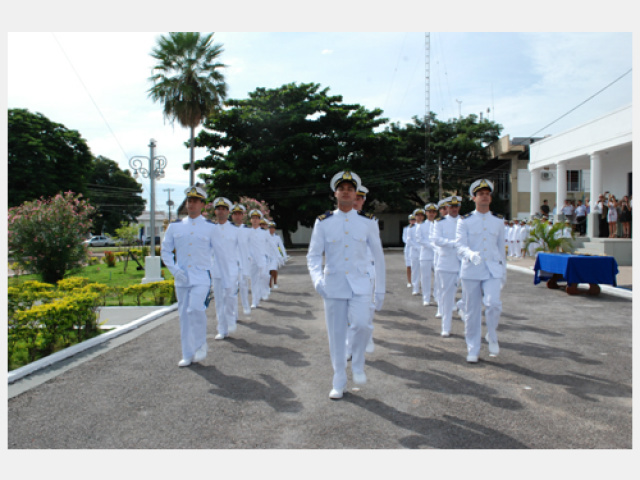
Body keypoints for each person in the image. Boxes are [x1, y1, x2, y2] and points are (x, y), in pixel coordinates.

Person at [307, 171, 385, 400]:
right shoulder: (323, 222)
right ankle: (339, 379)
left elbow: (379, 257)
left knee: (362, 325)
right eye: (343, 188)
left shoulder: (368, 222)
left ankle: (358, 363)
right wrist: (317, 280)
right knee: (337, 334)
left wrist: (379, 289)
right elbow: (312, 256)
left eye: (351, 189)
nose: (347, 192)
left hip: (361, 284)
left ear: (356, 194)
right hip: (333, 285)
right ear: (335, 193)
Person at [161, 186, 220, 367]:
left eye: (195, 201)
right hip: (181, 278)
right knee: (184, 317)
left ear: (202, 204)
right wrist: (174, 269)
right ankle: (187, 354)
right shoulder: (175, 226)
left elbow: (219, 253)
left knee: (195, 309)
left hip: (201, 277)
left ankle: (201, 344)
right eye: (189, 201)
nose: (191, 204)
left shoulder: (211, 228)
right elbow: (165, 251)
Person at [456, 179, 506, 364]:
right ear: (473, 198)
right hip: (471, 270)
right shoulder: (465, 221)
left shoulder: (498, 220)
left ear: (490, 198)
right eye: (480, 194)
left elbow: (501, 248)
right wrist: (470, 254)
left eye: (487, 193)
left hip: (493, 269)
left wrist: (504, 273)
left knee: (493, 304)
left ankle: (492, 335)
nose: (484, 196)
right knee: (472, 311)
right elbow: (459, 246)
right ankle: (473, 348)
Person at [210, 197, 249, 340]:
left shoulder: (235, 230)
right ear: (215, 211)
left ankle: (231, 319)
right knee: (219, 300)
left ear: (228, 212)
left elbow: (243, 251)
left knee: (230, 297)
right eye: (218, 209)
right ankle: (222, 329)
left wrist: (244, 271)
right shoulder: (211, 229)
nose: (221, 212)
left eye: (224, 209)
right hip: (217, 270)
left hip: (232, 270)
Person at [346, 184, 378, 358]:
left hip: (366, 271)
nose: (356, 201)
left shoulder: (370, 220)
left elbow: (375, 249)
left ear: (363, 201)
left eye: (359, 198)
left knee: (367, 308)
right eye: (354, 197)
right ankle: (349, 347)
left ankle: (367, 335)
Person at [432, 195, 462, 336]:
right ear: (447, 208)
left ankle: (462, 308)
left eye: (456, 206)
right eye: (451, 207)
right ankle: (446, 326)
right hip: (446, 262)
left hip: (464, 261)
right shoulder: (440, 222)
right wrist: (454, 243)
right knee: (447, 295)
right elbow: (436, 239)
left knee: (471, 293)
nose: (454, 209)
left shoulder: (465, 221)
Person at [230, 203, 252, 316]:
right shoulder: (228, 229)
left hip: (244, 262)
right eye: (235, 214)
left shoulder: (248, 230)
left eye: (239, 214)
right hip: (232, 263)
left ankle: (245, 306)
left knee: (243, 286)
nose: (237, 216)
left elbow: (251, 247)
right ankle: (235, 312)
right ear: (232, 216)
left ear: (243, 215)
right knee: (232, 288)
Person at [417, 203, 437, 306]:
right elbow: (419, 240)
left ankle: (437, 296)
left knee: (438, 277)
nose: (431, 214)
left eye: (433, 212)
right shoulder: (421, 226)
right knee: (425, 277)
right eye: (429, 212)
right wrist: (432, 246)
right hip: (425, 255)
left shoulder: (438, 224)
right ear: (426, 213)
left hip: (437, 255)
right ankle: (426, 298)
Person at [408, 208, 425, 296]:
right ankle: (415, 288)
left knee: (424, 271)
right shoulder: (411, 228)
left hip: (425, 252)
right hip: (415, 252)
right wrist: (418, 247)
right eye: (417, 215)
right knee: (415, 270)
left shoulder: (426, 226)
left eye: (421, 215)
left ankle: (425, 288)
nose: (419, 217)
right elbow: (409, 240)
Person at [267, 221, 286, 289]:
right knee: (268, 271)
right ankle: (269, 284)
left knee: (274, 269)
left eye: (273, 228)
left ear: (274, 229)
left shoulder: (277, 237)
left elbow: (281, 247)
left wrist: (283, 256)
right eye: (270, 228)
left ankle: (275, 282)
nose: (271, 229)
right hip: (267, 256)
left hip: (275, 256)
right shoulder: (265, 236)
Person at [402, 215, 416, 288]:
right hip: (408, 248)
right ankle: (409, 281)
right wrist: (410, 243)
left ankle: (416, 281)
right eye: (411, 219)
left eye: (414, 219)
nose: (412, 221)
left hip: (417, 249)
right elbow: (404, 239)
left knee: (416, 266)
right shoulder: (406, 229)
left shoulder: (418, 228)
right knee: (408, 266)